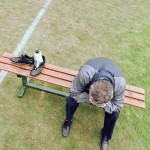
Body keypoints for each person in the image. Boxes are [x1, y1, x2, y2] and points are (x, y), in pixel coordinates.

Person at [62, 57, 126, 150]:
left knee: (114, 114)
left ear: (112, 94)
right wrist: (90, 100)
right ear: (89, 89)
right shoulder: (85, 74)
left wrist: (105, 105)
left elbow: (118, 106)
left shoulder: (120, 84)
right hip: (91, 75)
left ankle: (106, 135)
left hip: (105, 88)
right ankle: (68, 120)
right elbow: (74, 92)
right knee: (70, 101)